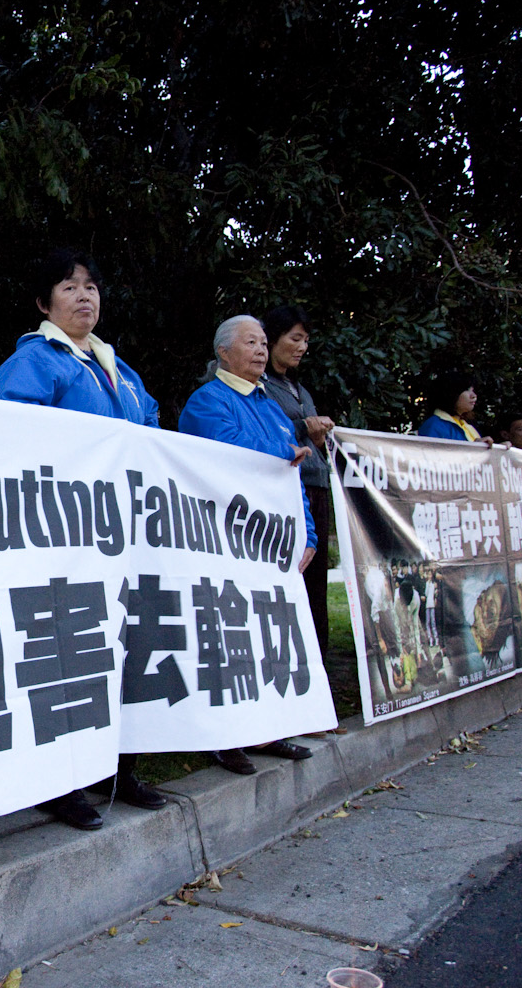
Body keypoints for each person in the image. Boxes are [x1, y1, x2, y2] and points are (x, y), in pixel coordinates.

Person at [0, 248, 166, 831]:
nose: (84, 295)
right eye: (68, 287)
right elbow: (13, 440)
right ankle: (59, 783)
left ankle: (117, 769)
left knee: (124, 649)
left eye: (90, 286)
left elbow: (153, 435)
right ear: (44, 304)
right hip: (62, 537)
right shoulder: (34, 362)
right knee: (67, 656)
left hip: (123, 535)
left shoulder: (120, 369)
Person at [178, 315, 317, 776]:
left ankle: (267, 730)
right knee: (226, 638)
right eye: (250, 342)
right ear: (223, 352)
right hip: (224, 543)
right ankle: (224, 739)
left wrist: (307, 533)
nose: (261, 350)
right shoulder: (207, 401)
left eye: (262, 342)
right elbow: (230, 449)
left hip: (271, 544)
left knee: (267, 639)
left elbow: (292, 477)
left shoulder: (271, 406)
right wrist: (283, 453)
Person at [260, 306, 335, 660]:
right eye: (295, 338)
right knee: (295, 578)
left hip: (317, 491)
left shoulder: (300, 388)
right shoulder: (261, 387)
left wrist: (316, 437)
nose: (303, 347)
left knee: (317, 584)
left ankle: (320, 663)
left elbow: (311, 442)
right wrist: (305, 427)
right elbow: (267, 433)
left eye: (306, 340)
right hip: (289, 492)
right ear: (272, 339)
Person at [416, 373, 493, 445]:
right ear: (451, 394)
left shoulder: (467, 427)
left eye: (472, 390)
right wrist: (473, 447)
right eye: (466, 390)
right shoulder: (434, 425)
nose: (474, 396)